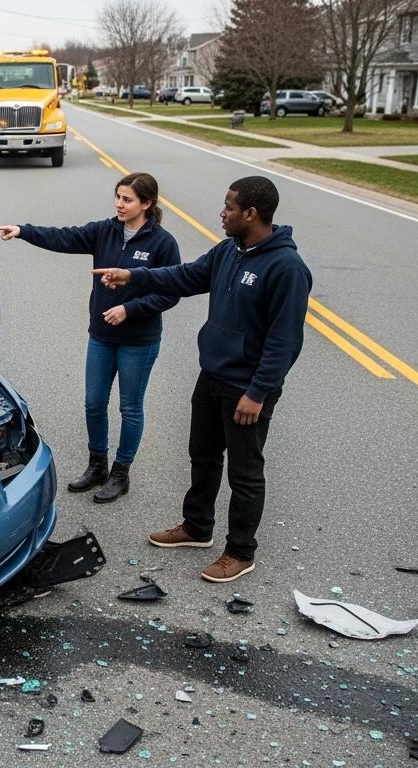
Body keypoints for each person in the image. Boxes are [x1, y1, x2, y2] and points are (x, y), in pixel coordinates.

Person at [93, 176, 311, 583]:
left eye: (229, 207)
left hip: (247, 388)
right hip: (212, 374)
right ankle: (197, 527)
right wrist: (133, 276)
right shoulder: (230, 250)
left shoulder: (286, 267)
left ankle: (241, 551)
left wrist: (258, 392)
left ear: (251, 213)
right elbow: (186, 276)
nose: (221, 213)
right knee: (203, 456)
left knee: (244, 473)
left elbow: (285, 341)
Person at [0, 172, 181, 504]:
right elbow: (64, 237)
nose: (120, 204)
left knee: (130, 408)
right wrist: (23, 232)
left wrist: (130, 309)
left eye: (128, 199)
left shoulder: (163, 244)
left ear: (147, 204)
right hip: (102, 336)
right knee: (94, 403)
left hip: (139, 340)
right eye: (118, 197)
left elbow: (171, 293)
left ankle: (121, 474)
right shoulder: (104, 231)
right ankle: (97, 465)